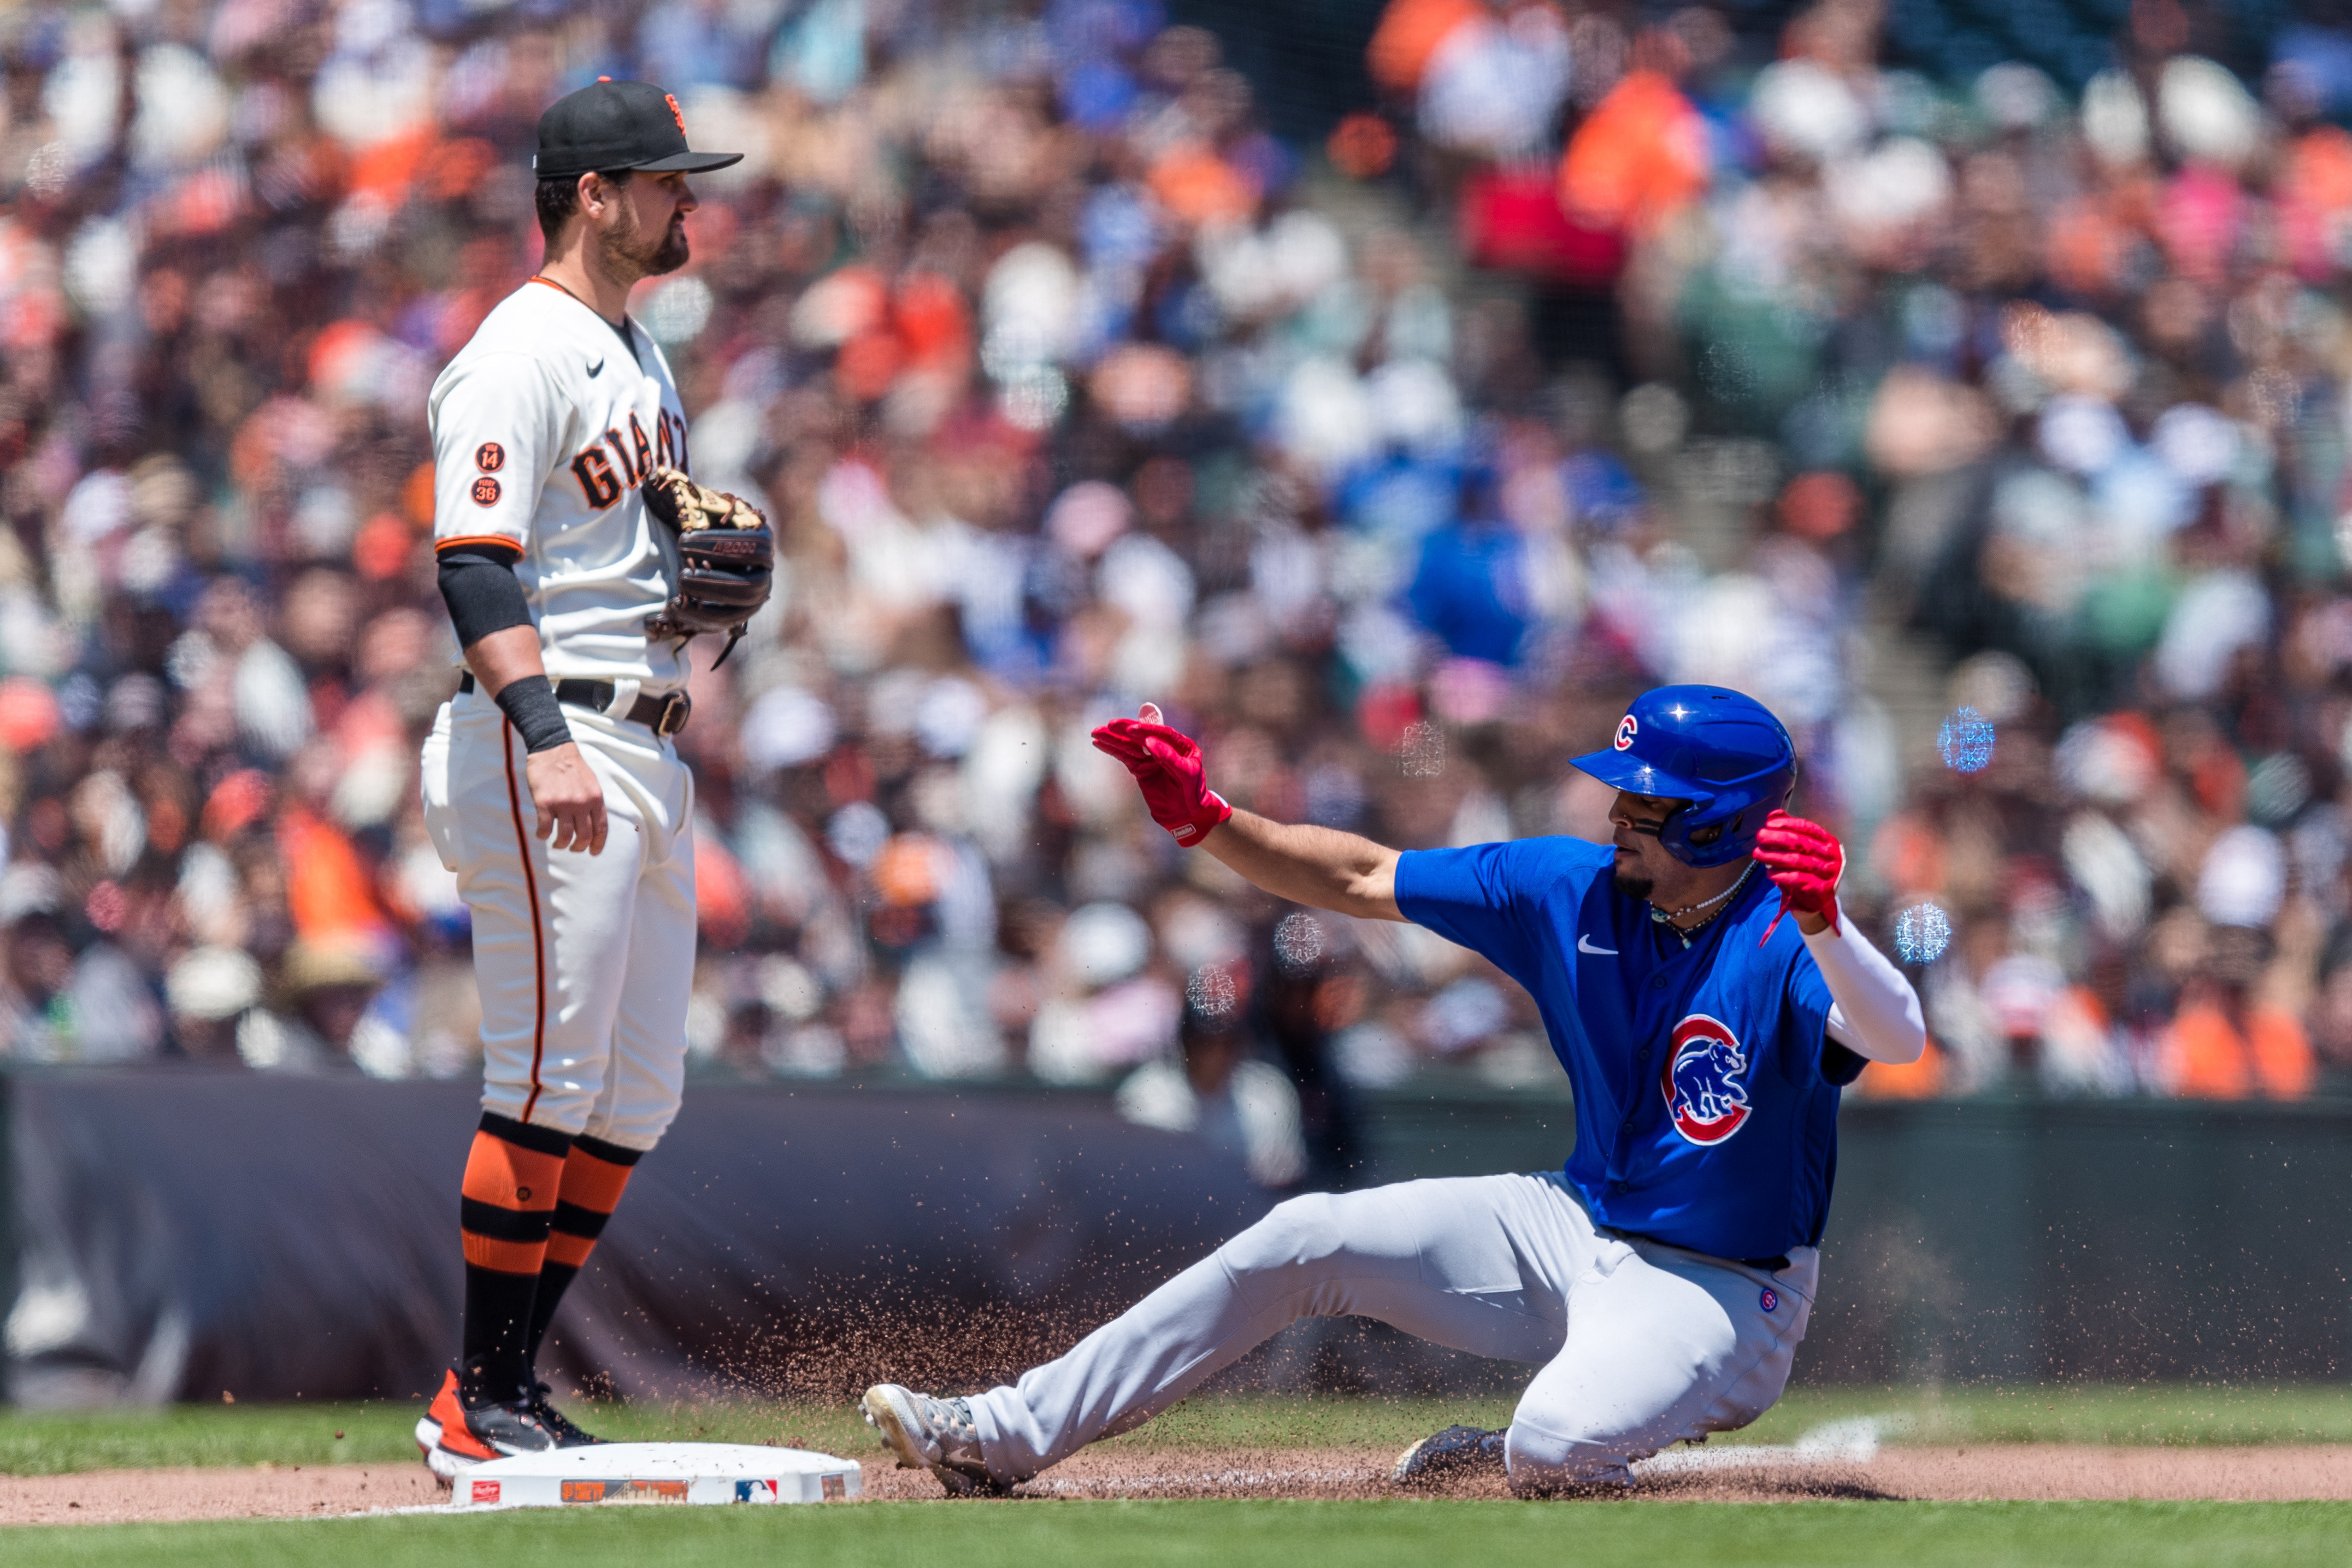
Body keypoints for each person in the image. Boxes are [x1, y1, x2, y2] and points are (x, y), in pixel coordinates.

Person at [860, 685, 1925, 1496]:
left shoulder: (1788, 934)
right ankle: (1000, 1433)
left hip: (1722, 1289)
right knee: (1303, 1235)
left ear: (1711, 824)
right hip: (1572, 1218)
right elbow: (1363, 876)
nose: (1614, 813)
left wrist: (1829, 924)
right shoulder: (1566, 887)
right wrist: (1210, 823)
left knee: (1554, 1445)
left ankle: (1587, 1456)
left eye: (1644, 803)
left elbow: (1894, 1031)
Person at [409, 80, 769, 1483]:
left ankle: (495, 1380)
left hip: (649, 736)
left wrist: (709, 607)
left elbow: (632, 558)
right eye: (665, 180)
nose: (690, 200)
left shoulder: (640, 351)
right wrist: (547, 733)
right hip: (549, 739)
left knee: (635, 1094)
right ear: (593, 195)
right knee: (548, 1077)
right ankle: (479, 1394)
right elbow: (474, 558)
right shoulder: (522, 349)